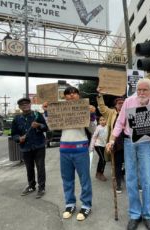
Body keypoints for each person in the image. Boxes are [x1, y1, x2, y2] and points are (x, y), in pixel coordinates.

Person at [106, 78, 150, 230]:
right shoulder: (128, 102)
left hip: (146, 144)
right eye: (139, 89)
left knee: (146, 179)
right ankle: (134, 214)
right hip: (129, 142)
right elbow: (119, 123)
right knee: (131, 178)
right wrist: (112, 140)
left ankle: (148, 214)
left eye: (144, 90)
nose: (141, 92)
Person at [55, 86, 95, 221]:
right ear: (64, 97)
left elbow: (92, 129)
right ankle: (70, 203)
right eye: (68, 94)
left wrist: (92, 114)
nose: (71, 95)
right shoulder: (60, 110)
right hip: (64, 149)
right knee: (67, 179)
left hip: (81, 148)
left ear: (79, 96)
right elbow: (53, 125)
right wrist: (47, 111)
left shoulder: (85, 109)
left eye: (74, 93)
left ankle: (86, 205)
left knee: (85, 179)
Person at [11, 98, 49, 199]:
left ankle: (42, 188)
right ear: (20, 107)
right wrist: (19, 139)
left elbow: (46, 128)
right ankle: (31, 186)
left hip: (39, 145)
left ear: (30, 105)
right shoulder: (16, 119)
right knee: (29, 168)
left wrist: (38, 125)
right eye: (22, 105)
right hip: (26, 147)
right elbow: (14, 134)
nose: (25, 106)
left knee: (40, 167)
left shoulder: (37, 115)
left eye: (27, 104)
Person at [96, 92, 125, 193]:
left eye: (123, 103)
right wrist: (100, 96)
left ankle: (125, 177)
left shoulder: (129, 112)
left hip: (129, 142)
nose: (121, 104)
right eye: (119, 103)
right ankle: (118, 184)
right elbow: (102, 108)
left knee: (130, 163)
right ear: (115, 105)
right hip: (116, 143)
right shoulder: (111, 113)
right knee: (117, 164)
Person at [89, 116, 108, 181]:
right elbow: (94, 137)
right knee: (103, 159)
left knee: (102, 159)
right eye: (101, 120)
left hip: (104, 145)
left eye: (103, 120)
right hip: (98, 145)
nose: (102, 121)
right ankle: (100, 173)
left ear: (106, 120)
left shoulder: (108, 127)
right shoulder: (98, 128)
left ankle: (98, 173)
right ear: (99, 121)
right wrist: (91, 147)